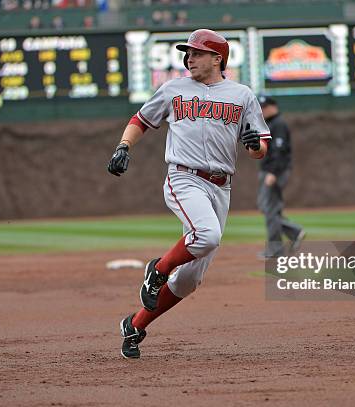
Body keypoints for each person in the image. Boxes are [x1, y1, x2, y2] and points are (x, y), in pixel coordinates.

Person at [107, 29, 270, 359]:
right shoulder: (173, 89)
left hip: (221, 185)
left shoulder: (241, 95)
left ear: (217, 59)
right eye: (188, 53)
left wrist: (255, 146)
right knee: (207, 235)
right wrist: (123, 146)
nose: (189, 58)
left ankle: (134, 325)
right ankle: (158, 269)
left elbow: (260, 147)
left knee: (189, 280)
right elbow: (141, 119)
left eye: (196, 53)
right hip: (184, 177)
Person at [256, 96, 305, 258]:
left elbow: (279, 152)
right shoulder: (270, 124)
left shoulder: (279, 124)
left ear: (273, 106)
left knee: (270, 209)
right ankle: (294, 232)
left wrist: (273, 172)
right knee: (268, 207)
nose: (262, 110)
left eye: (264, 106)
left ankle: (276, 248)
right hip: (270, 170)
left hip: (275, 171)